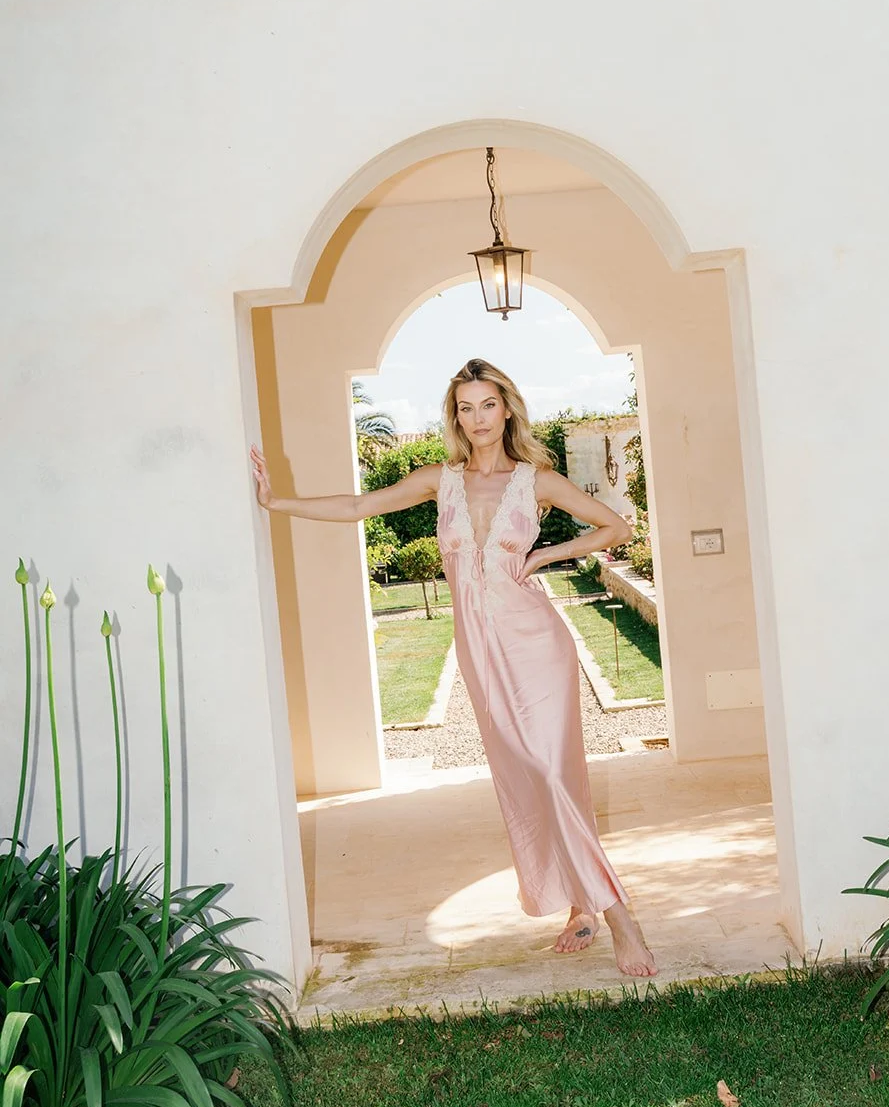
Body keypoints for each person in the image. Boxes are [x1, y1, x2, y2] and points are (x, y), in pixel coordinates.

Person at [250, 357, 657, 979]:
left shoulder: (536, 480)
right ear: (456, 417)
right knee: (530, 776)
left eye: (487, 405)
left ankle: (618, 917)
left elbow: (616, 525)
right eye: (466, 408)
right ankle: (580, 902)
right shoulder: (438, 481)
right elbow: (361, 504)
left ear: (507, 408)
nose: (478, 418)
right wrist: (277, 501)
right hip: (482, 651)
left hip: (537, 642)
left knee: (552, 771)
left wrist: (549, 551)